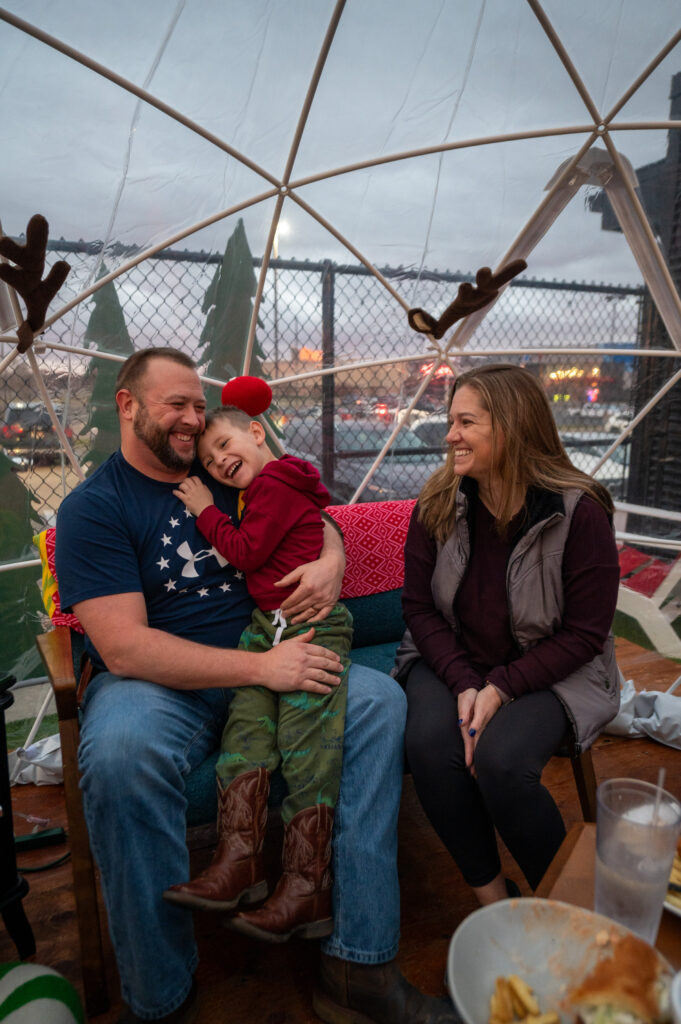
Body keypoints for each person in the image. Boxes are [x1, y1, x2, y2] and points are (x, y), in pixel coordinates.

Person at [55, 347, 458, 1024]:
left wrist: (331, 557)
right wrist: (262, 669)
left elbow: (304, 510)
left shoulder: (221, 469)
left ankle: (358, 967)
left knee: (379, 704)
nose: (193, 420)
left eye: (198, 405)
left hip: (275, 645)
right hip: (163, 681)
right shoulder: (94, 508)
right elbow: (123, 648)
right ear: (127, 405)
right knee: (121, 754)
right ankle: (161, 998)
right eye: (176, 405)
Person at [395, 363, 621, 905]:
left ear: (512, 426)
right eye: (451, 421)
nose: (450, 436)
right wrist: (465, 682)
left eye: (465, 422)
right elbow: (419, 608)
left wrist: (500, 688)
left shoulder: (580, 513)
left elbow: (585, 633)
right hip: (451, 656)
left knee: (501, 763)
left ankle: (572, 911)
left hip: (553, 668)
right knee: (429, 745)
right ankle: (495, 902)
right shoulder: (437, 503)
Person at [164, 400, 353, 944]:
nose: (218, 461)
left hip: (311, 627)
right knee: (245, 723)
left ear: (256, 432)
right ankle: (239, 860)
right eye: (207, 460)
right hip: (266, 629)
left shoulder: (271, 485)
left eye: (224, 445)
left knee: (306, 739)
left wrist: (205, 508)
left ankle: (307, 886)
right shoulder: (267, 485)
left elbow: (246, 553)